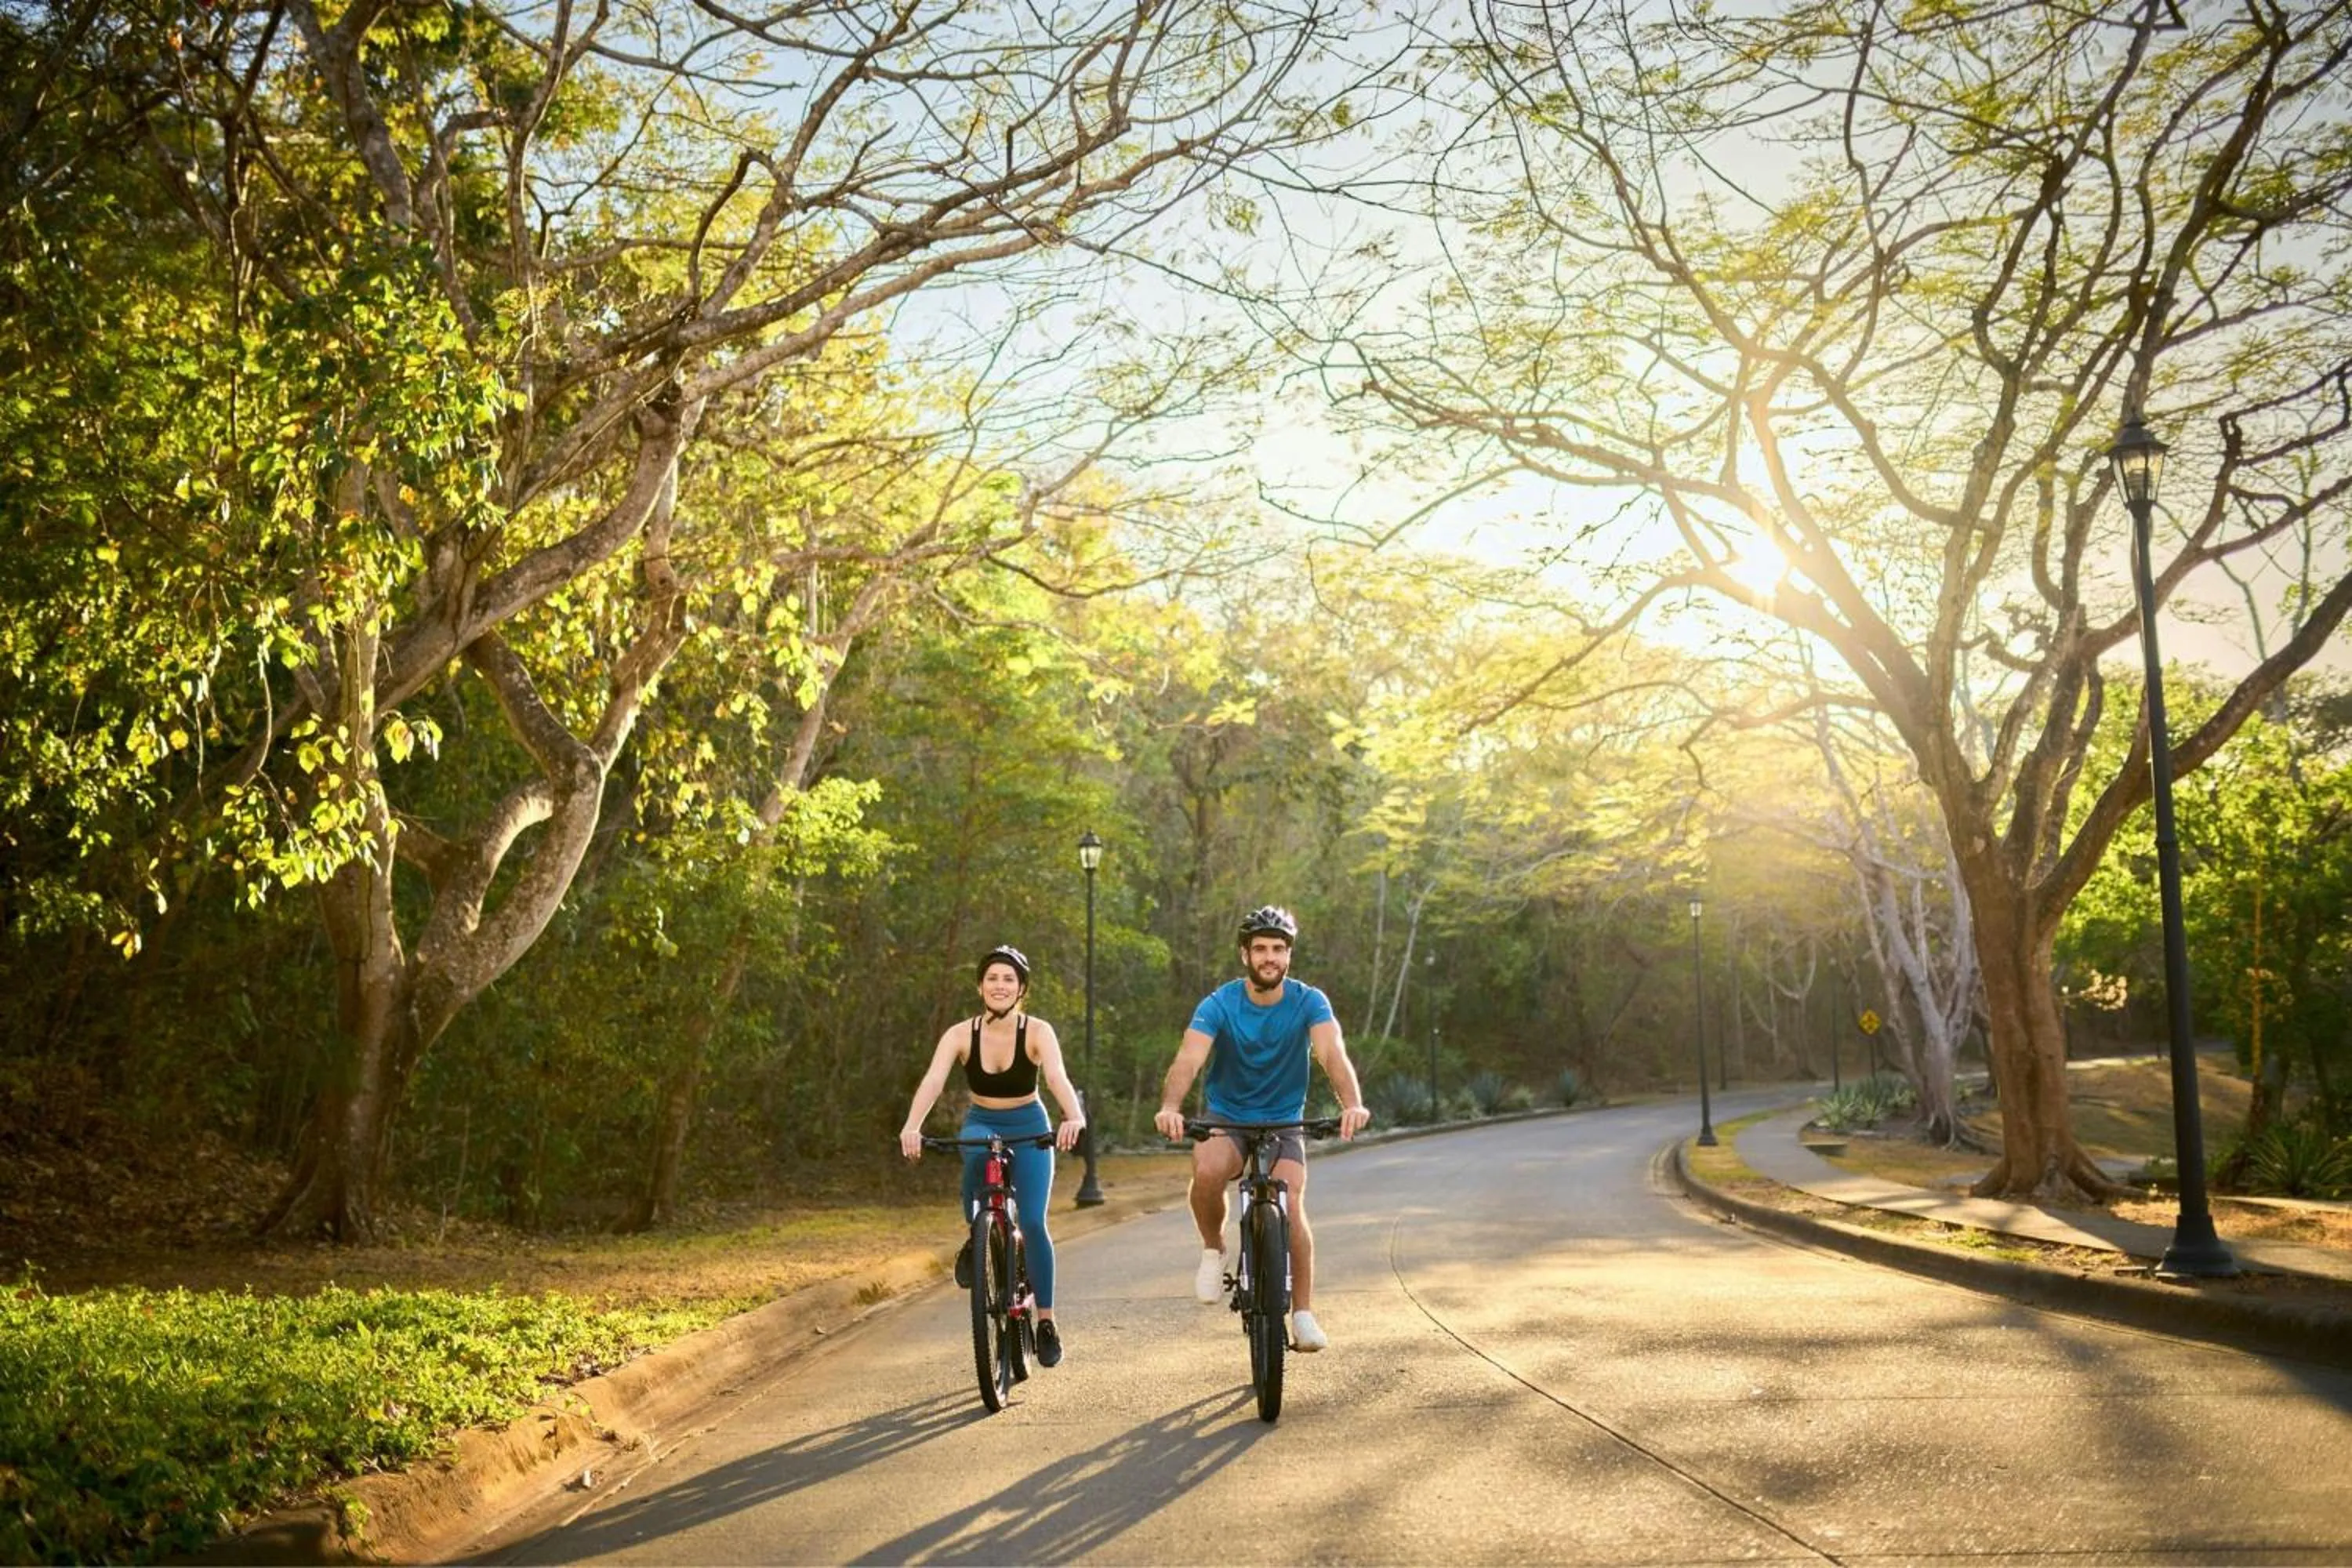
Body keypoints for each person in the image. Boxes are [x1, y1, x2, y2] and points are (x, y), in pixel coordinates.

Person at [1153, 905, 1371, 1352]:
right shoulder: (1219, 1004)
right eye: (1260, 949)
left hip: (1285, 1120)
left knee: (1290, 1202)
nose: (1269, 957)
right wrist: (1170, 1107)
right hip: (1228, 1116)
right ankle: (1214, 1250)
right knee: (1207, 1171)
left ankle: (1303, 1315)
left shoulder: (1309, 1001)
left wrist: (1352, 1104)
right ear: (1245, 954)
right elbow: (1189, 1058)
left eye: (1278, 949)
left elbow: (1331, 1053)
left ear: (1288, 955)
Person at [900, 945, 1087, 1367]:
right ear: (980, 986)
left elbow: (1056, 1076)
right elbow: (933, 1080)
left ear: (1021, 989)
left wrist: (1073, 1116)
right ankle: (978, 1236)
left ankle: (1046, 1321)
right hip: (983, 1121)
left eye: (1008, 979)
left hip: (1030, 1125)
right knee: (973, 1154)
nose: (999, 986)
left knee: (1034, 1222)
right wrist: (912, 1126)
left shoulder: (1037, 1031)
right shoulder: (959, 1034)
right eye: (992, 978)